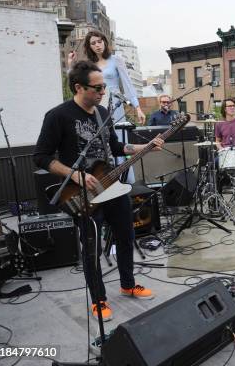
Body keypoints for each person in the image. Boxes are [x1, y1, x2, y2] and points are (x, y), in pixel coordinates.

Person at [34, 61, 164, 322]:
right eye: (97, 87)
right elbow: (41, 156)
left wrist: (145, 147)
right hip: (82, 193)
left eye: (104, 86)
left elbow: (115, 147)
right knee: (91, 247)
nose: (103, 91)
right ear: (78, 87)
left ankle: (128, 283)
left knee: (126, 237)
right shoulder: (58, 116)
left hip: (111, 186)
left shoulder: (102, 113)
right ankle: (98, 300)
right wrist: (77, 175)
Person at [69, 31, 146, 184]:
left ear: (104, 41)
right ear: (89, 47)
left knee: (117, 141)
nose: (97, 45)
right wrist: (71, 64)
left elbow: (128, 84)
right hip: (96, 106)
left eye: (100, 41)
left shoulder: (116, 60)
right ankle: (106, 180)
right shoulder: (90, 66)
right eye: (93, 43)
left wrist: (137, 107)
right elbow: (75, 83)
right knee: (100, 143)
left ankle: (125, 180)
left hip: (116, 106)